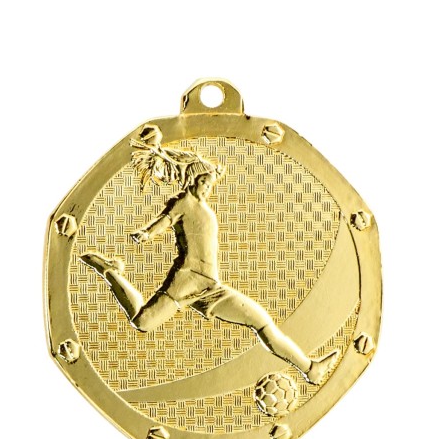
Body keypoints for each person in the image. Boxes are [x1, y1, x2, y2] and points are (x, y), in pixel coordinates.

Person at [80, 165, 338, 385]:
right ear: (192, 179)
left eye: (210, 184)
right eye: (204, 181)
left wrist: (214, 171)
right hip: (187, 280)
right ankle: (111, 272)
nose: (207, 188)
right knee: (143, 323)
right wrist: (147, 233)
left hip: (210, 286)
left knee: (260, 320)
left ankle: (309, 369)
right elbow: (166, 220)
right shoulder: (184, 202)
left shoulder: (204, 207)